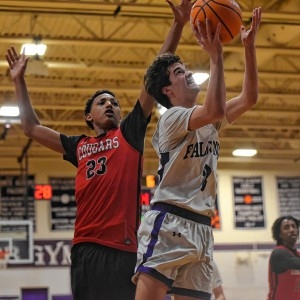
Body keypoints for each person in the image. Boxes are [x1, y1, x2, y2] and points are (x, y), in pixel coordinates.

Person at [5, 1, 193, 299]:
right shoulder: (79, 146)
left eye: (114, 102)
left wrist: (179, 24)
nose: (110, 104)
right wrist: (19, 82)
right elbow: (30, 128)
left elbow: (154, 75)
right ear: (89, 117)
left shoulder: (129, 132)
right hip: (85, 248)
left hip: (123, 249)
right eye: (102, 102)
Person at [133, 7, 262, 300]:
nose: (189, 73)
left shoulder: (207, 120)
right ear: (167, 90)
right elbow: (215, 108)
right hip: (169, 222)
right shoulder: (172, 117)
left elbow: (250, 97)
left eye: (186, 68)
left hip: (202, 227)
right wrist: (216, 57)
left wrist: (248, 47)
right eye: (180, 72)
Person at [267, 216, 300, 300]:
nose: (292, 230)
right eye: (286, 227)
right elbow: (295, 263)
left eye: (294, 226)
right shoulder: (278, 253)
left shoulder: (298, 255)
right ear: (279, 234)